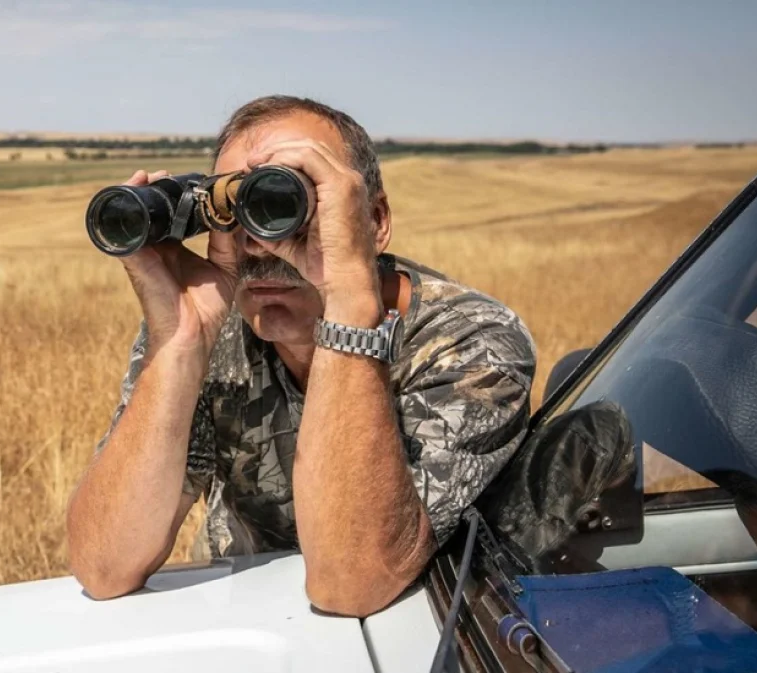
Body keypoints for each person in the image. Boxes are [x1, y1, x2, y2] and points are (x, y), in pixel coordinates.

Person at [66, 95, 537, 617]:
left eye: (285, 204)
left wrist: (348, 301)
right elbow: (105, 566)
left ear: (373, 221)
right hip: (246, 616)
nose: (261, 244)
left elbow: (351, 583)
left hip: (404, 630)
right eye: (234, 209)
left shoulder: (470, 343)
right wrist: (178, 344)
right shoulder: (210, 328)